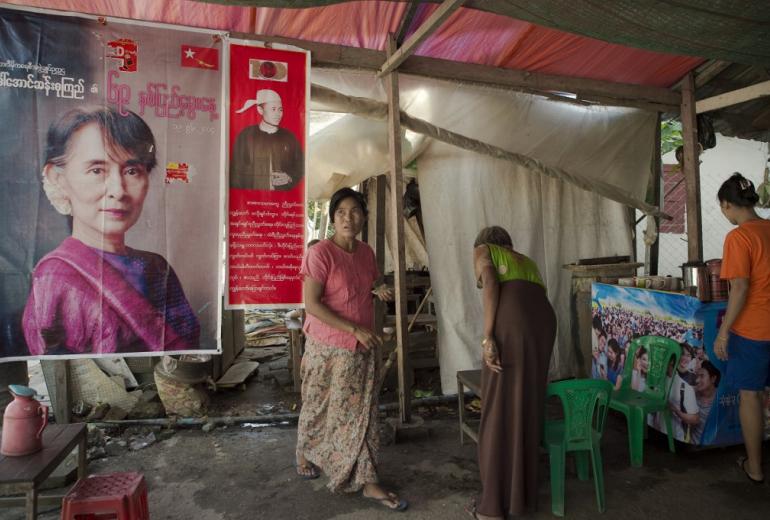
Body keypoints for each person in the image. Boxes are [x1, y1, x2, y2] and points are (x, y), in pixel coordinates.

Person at [22, 106, 199, 355]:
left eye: (132, 171)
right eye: (97, 170)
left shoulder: (157, 269)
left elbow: (189, 355)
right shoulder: (54, 279)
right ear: (58, 178)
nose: (118, 190)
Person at [294, 187, 406, 511]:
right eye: (341, 212)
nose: (348, 217)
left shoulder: (367, 253)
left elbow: (367, 283)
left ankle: (368, 480)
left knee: (361, 415)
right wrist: (353, 328)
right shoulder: (321, 254)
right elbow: (312, 305)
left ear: (363, 217)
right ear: (332, 217)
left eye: (354, 211)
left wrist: (379, 288)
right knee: (318, 405)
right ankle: (304, 449)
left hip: (361, 347)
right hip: (326, 347)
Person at [470, 226, 557, 519]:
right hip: (542, 327)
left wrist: (487, 336)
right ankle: (520, 499)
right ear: (509, 244)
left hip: (513, 325)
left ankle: (493, 507)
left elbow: (492, 284)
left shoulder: (483, 250)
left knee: (496, 412)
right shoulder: (527, 261)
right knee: (525, 409)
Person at [713, 172, 770, 483]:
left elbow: (740, 287)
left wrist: (724, 332)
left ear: (727, 204)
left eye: (723, 209)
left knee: (751, 396)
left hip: (754, 331)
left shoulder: (739, 237)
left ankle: (755, 468)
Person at [230, 89, 303, 191]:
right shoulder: (246, 135)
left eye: (280, 109)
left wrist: (289, 178)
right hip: (249, 200)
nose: (278, 114)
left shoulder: (289, 137)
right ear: (260, 110)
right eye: (273, 109)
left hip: (282, 202)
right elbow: (235, 171)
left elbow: (300, 166)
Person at [691, 360, 720, 445]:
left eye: (702, 376)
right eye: (697, 376)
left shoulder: (722, 398)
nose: (697, 380)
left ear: (713, 378)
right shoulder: (691, 394)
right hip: (694, 446)